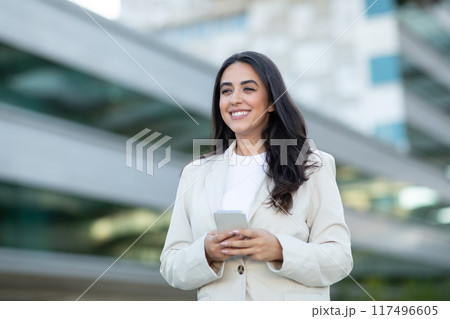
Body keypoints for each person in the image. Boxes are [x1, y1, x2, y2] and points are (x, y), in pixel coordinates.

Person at [160, 51, 353, 301]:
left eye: (248, 89)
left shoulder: (313, 166)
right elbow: (170, 265)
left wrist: (279, 250)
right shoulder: (194, 174)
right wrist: (206, 252)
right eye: (226, 91)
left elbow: (339, 259)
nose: (235, 99)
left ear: (272, 101)